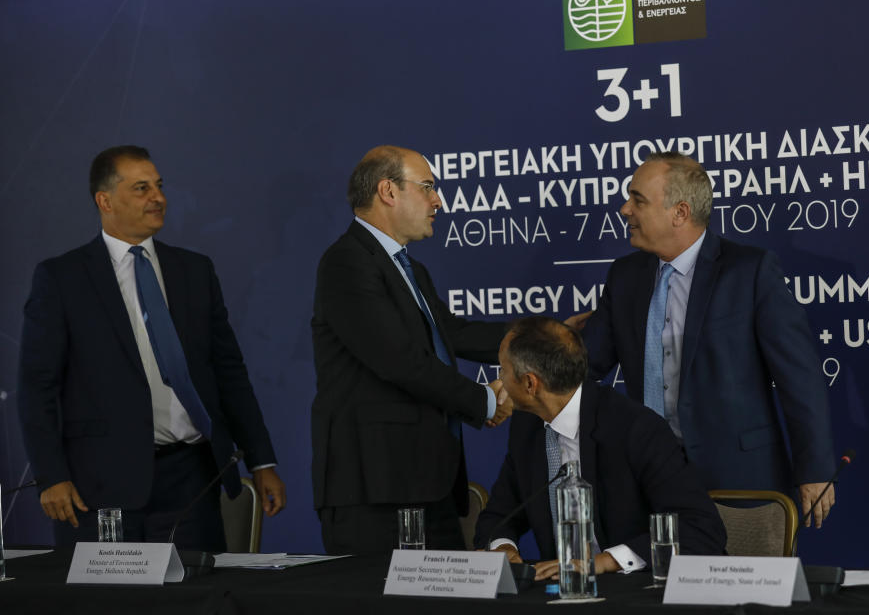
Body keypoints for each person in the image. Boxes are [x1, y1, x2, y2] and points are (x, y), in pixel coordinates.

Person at [17, 145, 285, 550]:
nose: (158, 197)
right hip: (99, 486)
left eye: (158, 186)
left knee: (195, 601)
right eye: (141, 188)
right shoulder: (62, 278)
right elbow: (38, 387)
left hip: (192, 478)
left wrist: (261, 460)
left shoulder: (195, 271)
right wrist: (51, 475)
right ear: (104, 200)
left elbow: (228, 371)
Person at [576, 151, 836, 527]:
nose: (624, 209)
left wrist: (814, 468)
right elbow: (588, 362)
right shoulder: (625, 275)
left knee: (744, 585)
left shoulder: (749, 271)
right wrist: (528, 371)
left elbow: (800, 376)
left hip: (739, 476)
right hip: (647, 474)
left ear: (679, 213)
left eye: (638, 199)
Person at [311, 145, 511, 554]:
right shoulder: (346, 263)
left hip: (428, 484)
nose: (438, 200)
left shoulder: (409, 268)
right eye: (428, 187)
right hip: (375, 491)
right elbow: (399, 360)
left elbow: (452, 334)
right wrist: (483, 400)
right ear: (388, 191)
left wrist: (539, 339)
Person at [476, 317, 725, 578]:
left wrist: (606, 561)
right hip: (562, 593)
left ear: (530, 384)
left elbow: (700, 527)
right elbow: (497, 517)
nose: (499, 380)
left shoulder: (635, 429)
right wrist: (503, 547)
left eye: (502, 370)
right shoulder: (527, 428)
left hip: (640, 589)